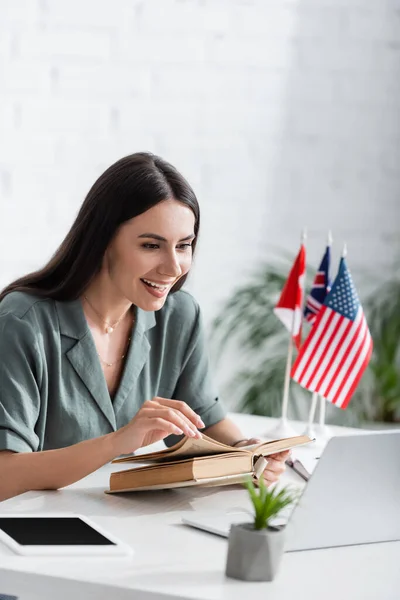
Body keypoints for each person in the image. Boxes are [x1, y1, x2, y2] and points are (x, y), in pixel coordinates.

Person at [0, 153, 288, 502]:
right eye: (151, 245)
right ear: (103, 239)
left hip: (130, 523)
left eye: (184, 246)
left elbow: (207, 420)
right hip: (35, 531)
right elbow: (5, 475)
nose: (173, 267)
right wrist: (119, 441)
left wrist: (248, 451)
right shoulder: (23, 322)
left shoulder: (179, 316)